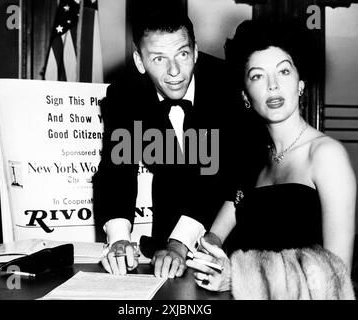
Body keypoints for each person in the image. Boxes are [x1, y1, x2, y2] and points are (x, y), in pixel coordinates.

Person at [186, 20, 356, 298]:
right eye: (257, 76)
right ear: (245, 96)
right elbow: (213, 238)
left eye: (284, 71)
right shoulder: (254, 158)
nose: (273, 85)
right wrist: (204, 256)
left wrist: (239, 278)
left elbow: (336, 278)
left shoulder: (326, 155)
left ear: (300, 84)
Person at [93, 5, 262, 278]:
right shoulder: (125, 94)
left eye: (182, 54)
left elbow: (223, 176)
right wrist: (119, 239)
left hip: (229, 240)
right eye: (158, 59)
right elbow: (116, 169)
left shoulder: (228, 86)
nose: (174, 71)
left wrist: (180, 242)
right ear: (139, 61)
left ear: (195, 51)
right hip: (164, 242)